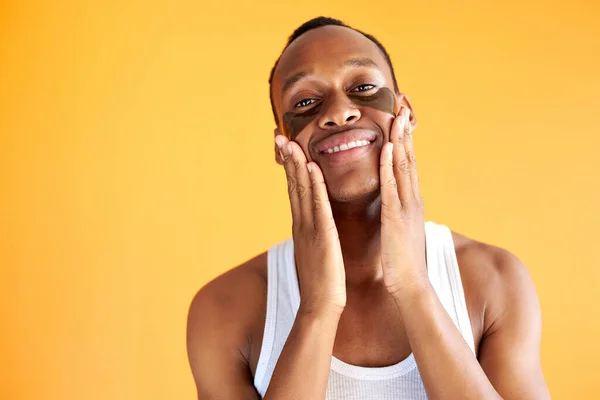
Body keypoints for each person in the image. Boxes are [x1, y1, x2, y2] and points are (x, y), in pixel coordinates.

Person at [186, 16, 551, 399]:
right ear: (282, 145)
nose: (339, 112)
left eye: (362, 87)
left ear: (404, 113)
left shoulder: (495, 280)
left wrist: (413, 287)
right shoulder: (223, 309)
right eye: (306, 101)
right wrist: (317, 308)